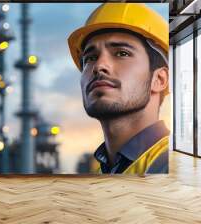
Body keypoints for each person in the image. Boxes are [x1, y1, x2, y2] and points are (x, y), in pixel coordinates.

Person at [67, 3, 170, 174]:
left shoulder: (168, 164)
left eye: (122, 53)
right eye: (90, 58)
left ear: (159, 79)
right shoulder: (105, 170)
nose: (99, 66)